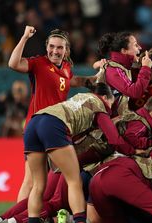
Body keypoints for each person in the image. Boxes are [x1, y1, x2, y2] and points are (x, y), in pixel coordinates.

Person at [8, 25, 101, 202]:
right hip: (37, 127)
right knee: (32, 181)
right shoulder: (38, 63)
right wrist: (25, 37)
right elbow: (13, 64)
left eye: (59, 47)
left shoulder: (66, 68)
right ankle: (15, 218)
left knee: (55, 179)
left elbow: (79, 81)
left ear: (66, 51)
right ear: (46, 47)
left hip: (55, 128)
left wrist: (103, 73)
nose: (55, 51)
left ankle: (50, 215)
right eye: (51, 46)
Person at [22, 82, 133, 223]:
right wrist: (132, 151)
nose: (110, 109)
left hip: (34, 122)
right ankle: (80, 220)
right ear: (105, 97)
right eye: (111, 104)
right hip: (53, 125)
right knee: (74, 181)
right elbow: (114, 140)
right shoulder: (100, 105)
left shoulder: (80, 96)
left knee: (38, 185)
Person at [97, 31, 152, 116]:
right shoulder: (114, 69)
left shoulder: (122, 67)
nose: (140, 47)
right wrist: (146, 68)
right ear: (124, 51)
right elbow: (134, 92)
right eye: (135, 45)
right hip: (102, 123)